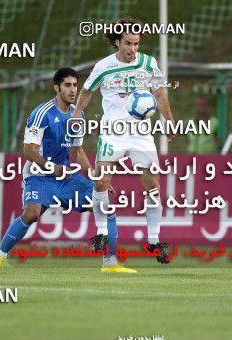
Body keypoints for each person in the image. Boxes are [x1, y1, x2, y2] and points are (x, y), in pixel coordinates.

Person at [0, 67, 136, 273]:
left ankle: (110, 263)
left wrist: (96, 179)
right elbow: (29, 151)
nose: (73, 90)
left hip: (65, 177)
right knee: (31, 214)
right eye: (67, 85)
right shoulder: (42, 114)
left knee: (106, 207)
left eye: (75, 85)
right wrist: (50, 166)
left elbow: (77, 151)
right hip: (39, 175)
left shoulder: (78, 117)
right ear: (56, 87)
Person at [72, 17, 175, 264]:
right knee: (101, 181)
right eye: (128, 43)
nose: (132, 49)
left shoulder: (149, 63)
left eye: (136, 44)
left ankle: (153, 240)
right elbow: (87, 92)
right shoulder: (104, 66)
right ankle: (101, 233)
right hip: (112, 132)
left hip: (141, 134)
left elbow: (159, 92)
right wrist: (76, 115)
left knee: (152, 184)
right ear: (117, 42)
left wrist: (169, 120)